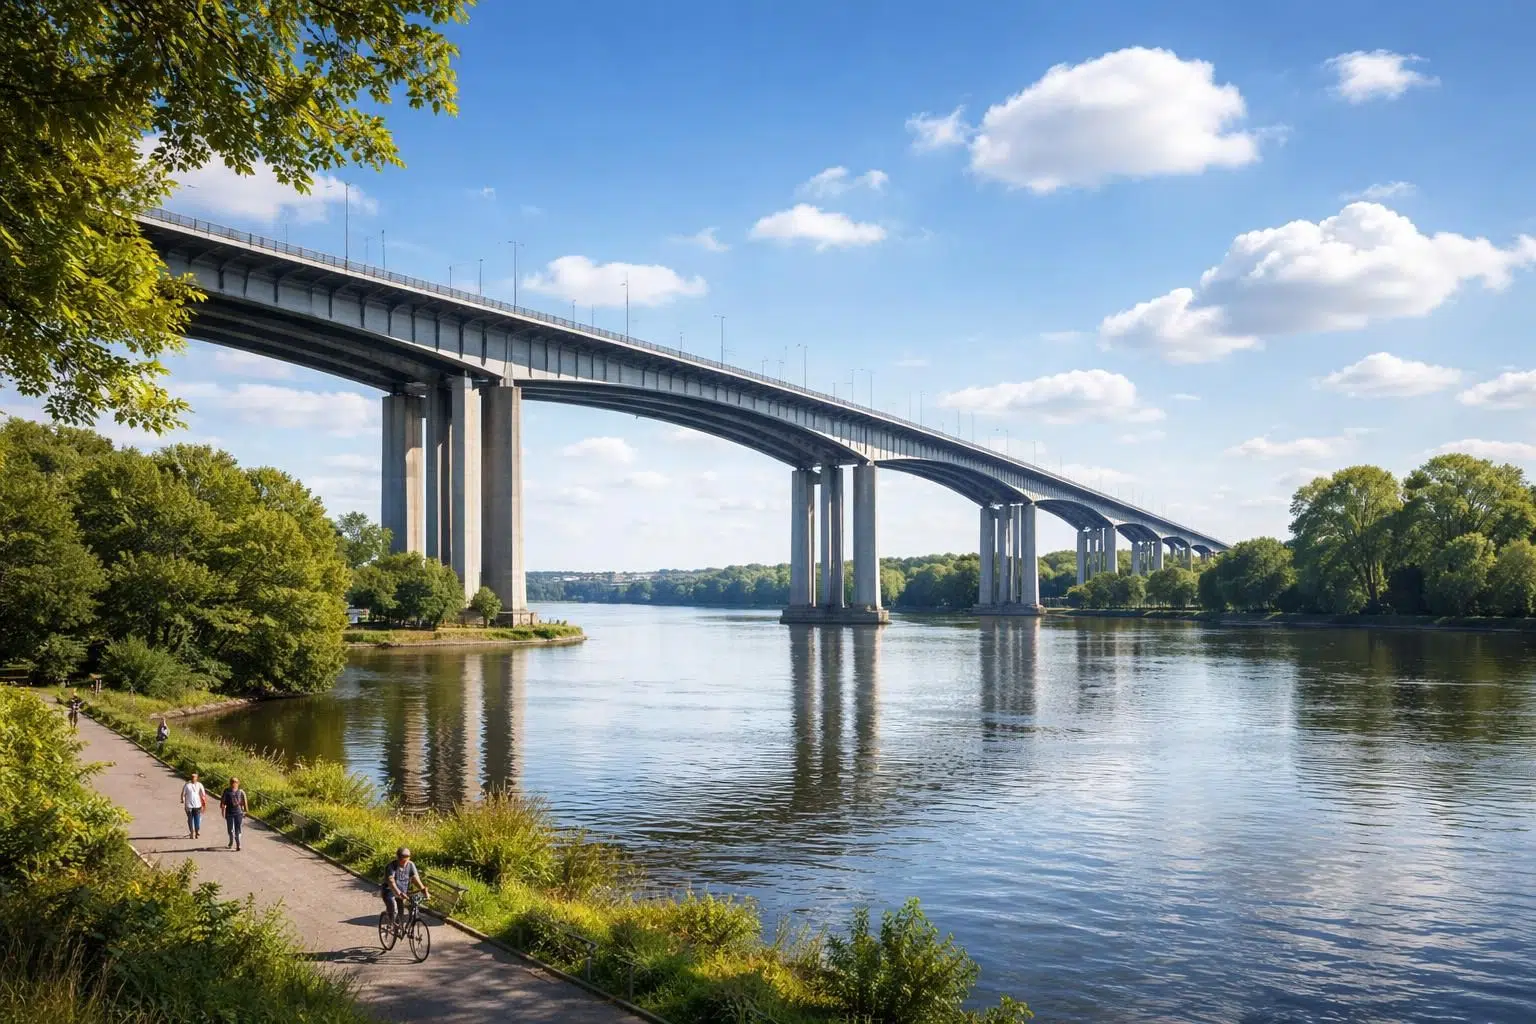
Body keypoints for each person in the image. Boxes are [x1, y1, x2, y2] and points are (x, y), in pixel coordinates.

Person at [381, 847, 430, 928]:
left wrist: (423, 890)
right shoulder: (391, 866)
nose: (403, 862)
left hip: (403, 892)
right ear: (397, 857)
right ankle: (390, 925)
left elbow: (415, 879)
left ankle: (399, 928)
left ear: (409, 858)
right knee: (393, 907)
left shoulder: (411, 865)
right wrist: (399, 893)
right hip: (389, 891)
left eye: (405, 860)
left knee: (401, 914)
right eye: (401, 860)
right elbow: (391, 881)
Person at [220, 777, 248, 851]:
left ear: (238, 783)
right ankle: (231, 841)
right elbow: (223, 802)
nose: (234, 784)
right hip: (229, 813)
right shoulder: (226, 791)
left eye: (235, 782)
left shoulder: (241, 792)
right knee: (230, 829)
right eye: (232, 782)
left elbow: (245, 802)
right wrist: (223, 810)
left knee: (238, 829)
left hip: (238, 813)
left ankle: (238, 844)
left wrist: (245, 811)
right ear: (230, 783)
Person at [180, 772, 207, 840]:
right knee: (190, 819)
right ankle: (192, 832)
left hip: (197, 805)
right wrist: (182, 800)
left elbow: (203, 794)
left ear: (197, 778)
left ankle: (197, 830)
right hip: (189, 805)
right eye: (192, 777)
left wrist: (203, 802)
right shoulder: (187, 785)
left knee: (197, 820)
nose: (193, 778)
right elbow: (183, 794)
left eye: (194, 777)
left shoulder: (200, 785)